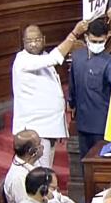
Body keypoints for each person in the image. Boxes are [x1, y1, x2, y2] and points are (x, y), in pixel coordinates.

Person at [12, 20, 89, 168]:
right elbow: (54, 58)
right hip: (35, 131)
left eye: (37, 40)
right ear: (23, 42)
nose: (33, 44)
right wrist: (74, 34)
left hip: (48, 128)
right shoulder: (22, 60)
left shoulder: (43, 56)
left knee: (46, 169)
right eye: (29, 41)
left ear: (44, 39)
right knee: (40, 173)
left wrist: (59, 127)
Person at [69, 19, 111, 162]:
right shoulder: (77, 57)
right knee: (84, 161)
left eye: (101, 41)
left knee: (100, 162)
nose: (97, 45)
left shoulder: (110, 63)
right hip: (83, 121)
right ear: (86, 37)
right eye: (94, 41)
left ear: (106, 38)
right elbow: (72, 85)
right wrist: (71, 104)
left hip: (102, 125)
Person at [3, 129, 44, 203]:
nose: (42, 146)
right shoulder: (19, 178)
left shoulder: (34, 163)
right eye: (39, 144)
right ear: (32, 151)